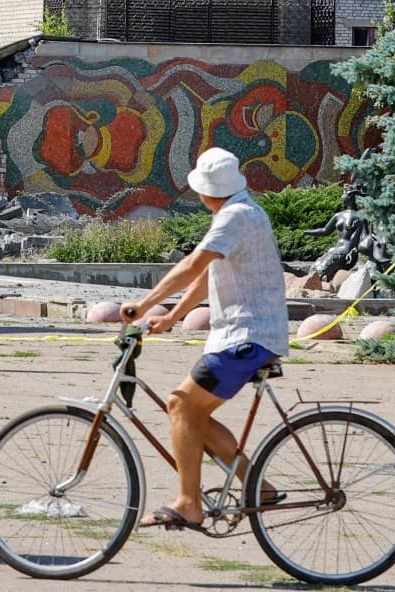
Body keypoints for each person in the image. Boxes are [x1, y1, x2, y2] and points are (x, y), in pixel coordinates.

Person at [120, 147, 289, 531]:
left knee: (180, 406)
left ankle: (189, 504)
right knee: (188, 411)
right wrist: (172, 317)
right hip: (246, 335)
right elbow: (205, 277)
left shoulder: (235, 217)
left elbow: (192, 265)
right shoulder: (239, 212)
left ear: (205, 191)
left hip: (246, 337)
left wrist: (144, 304)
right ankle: (256, 485)